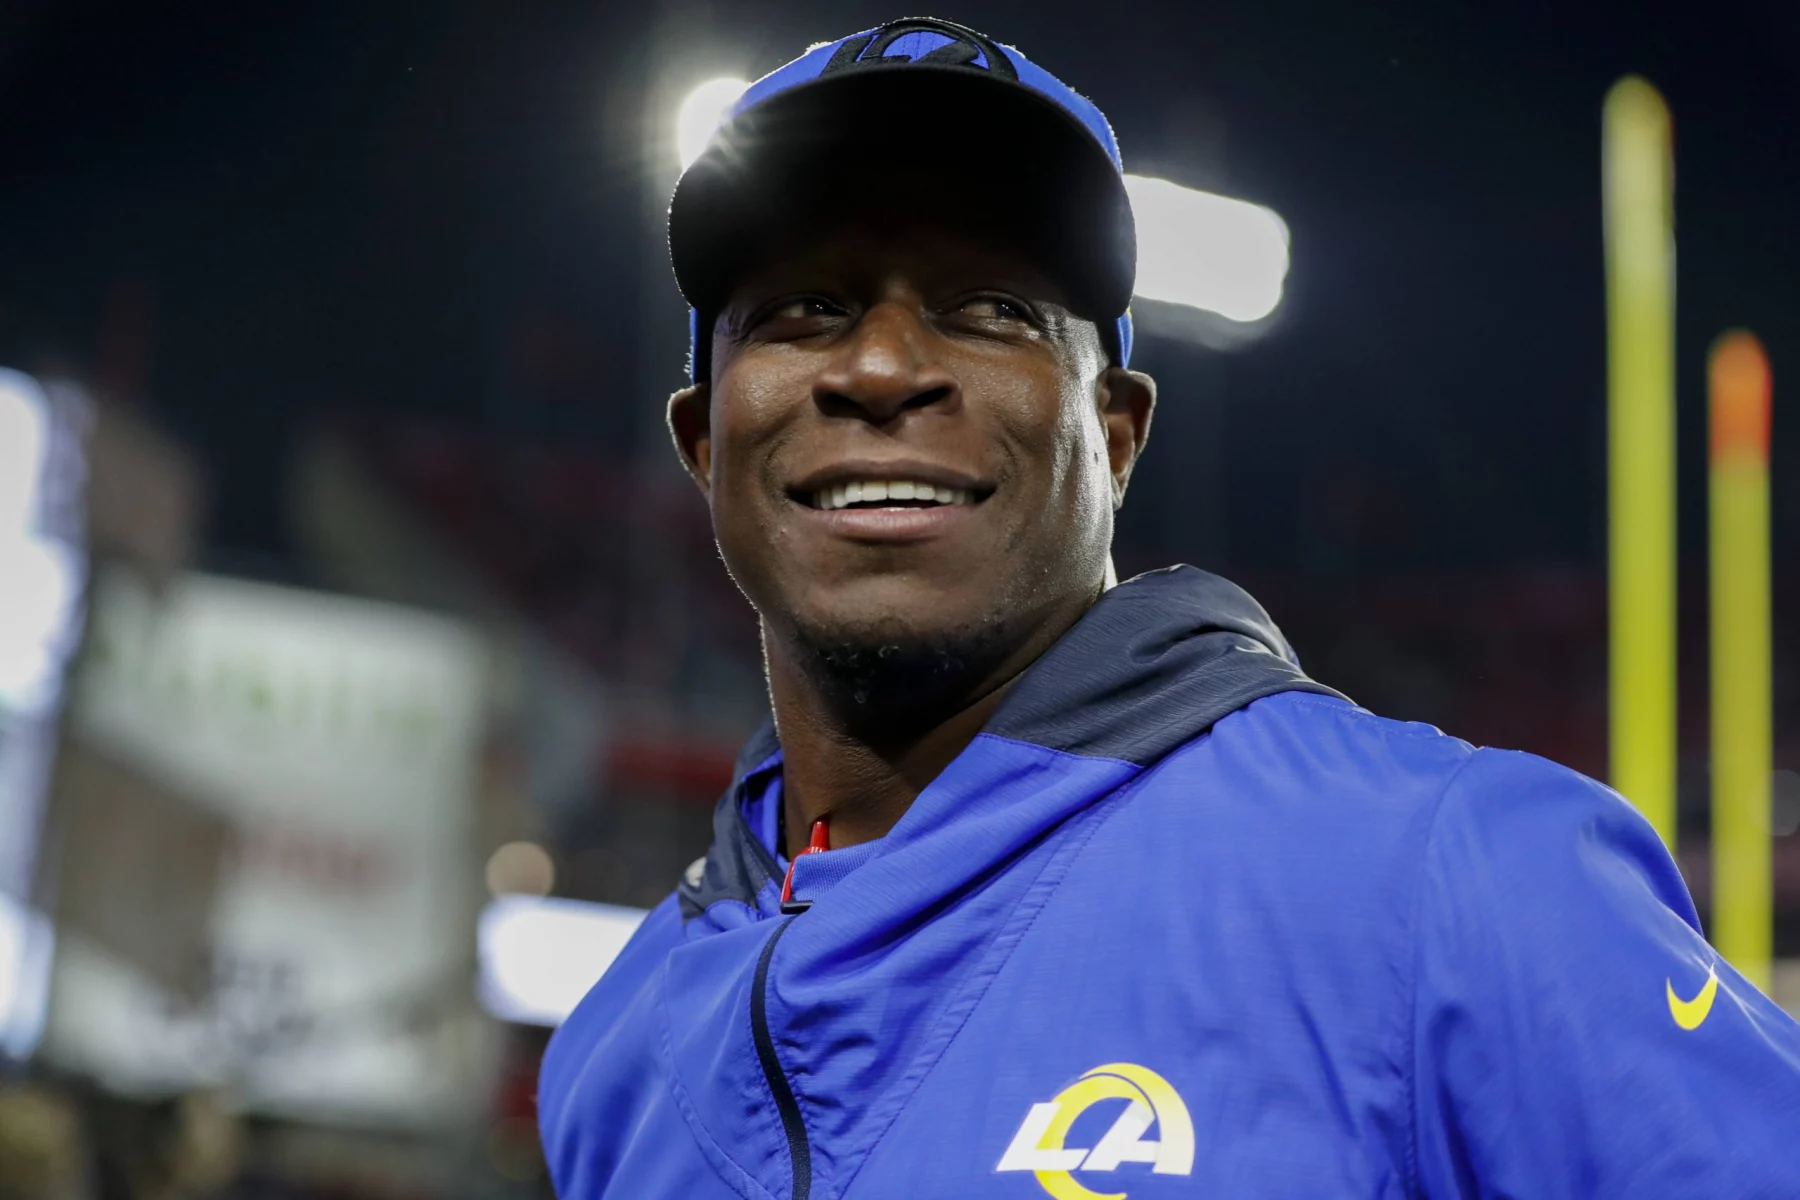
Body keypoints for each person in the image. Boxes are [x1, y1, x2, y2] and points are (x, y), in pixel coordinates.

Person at [538, 18, 1800, 1198]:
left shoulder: (1449, 874)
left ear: (1116, 434)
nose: (881, 368)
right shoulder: (616, 1049)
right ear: (705, 441)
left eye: (992, 310)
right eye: (805, 310)